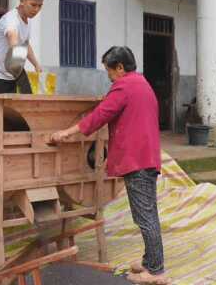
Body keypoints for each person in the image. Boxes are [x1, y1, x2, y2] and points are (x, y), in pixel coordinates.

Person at [50, 46, 170, 285]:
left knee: (145, 216)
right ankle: (150, 260)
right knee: (147, 213)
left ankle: (156, 271)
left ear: (120, 68)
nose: (109, 77)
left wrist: (67, 133)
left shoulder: (124, 86)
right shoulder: (142, 83)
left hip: (137, 160)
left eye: (109, 71)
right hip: (146, 157)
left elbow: (100, 115)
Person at [0, 0, 45, 94]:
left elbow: (25, 44)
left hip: (12, 75)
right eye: (33, 5)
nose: (36, 10)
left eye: (40, 6)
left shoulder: (28, 20)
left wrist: (36, 64)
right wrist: (16, 52)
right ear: (22, 1)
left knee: (22, 104)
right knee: (3, 110)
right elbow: (13, 39)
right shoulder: (11, 20)